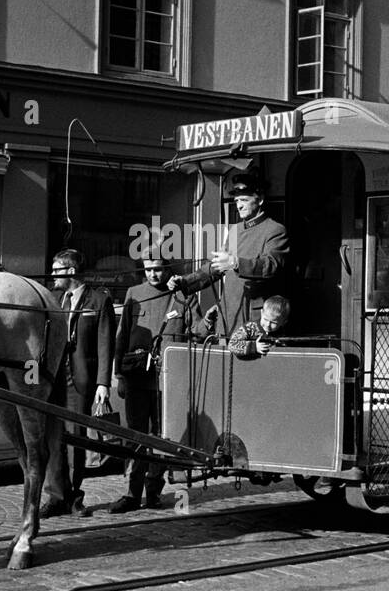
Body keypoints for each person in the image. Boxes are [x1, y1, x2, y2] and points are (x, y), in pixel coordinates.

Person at [109, 256, 196, 514]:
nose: (153, 275)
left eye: (157, 269)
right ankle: (131, 494)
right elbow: (122, 335)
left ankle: (153, 491)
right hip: (137, 378)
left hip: (167, 380)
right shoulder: (134, 293)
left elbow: (196, 328)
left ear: (166, 268)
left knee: (160, 436)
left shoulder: (182, 295)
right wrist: (119, 375)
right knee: (135, 435)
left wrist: (211, 320)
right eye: (148, 270)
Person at [41, 248, 114, 518]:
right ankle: (55, 496)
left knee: (76, 439)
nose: (52, 275)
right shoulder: (52, 299)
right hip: (54, 377)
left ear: (71, 271)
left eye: (56, 269)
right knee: (52, 438)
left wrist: (103, 383)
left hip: (81, 378)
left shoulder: (98, 300)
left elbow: (106, 343)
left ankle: (73, 496)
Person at [169, 173, 289, 336]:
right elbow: (217, 267)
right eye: (237, 201)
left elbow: (271, 265)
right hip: (228, 316)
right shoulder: (235, 230)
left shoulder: (275, 230)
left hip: (254, 318)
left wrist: (236, 263)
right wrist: (185, 282)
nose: (238, 206)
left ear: (260, 199)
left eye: (244, 200)